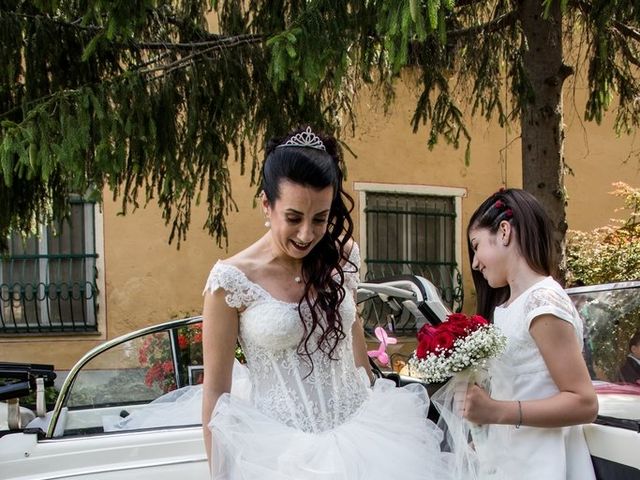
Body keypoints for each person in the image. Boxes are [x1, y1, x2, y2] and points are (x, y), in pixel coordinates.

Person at [201, 126, 453, 480]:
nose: (306, 234)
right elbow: (215, 394)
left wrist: (377, 407)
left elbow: (357, 354)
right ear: (265, 204)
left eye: (320, 218)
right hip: (281, 458)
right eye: (293, 218)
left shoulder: (343, 258)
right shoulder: (231, 281)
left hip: (363, 441)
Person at [460, 188, 598, 479]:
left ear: (505, 231)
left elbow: (584, 402)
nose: (475, 263)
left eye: (476, 246)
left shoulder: (543, 302)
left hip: (541, 462)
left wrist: (495, 412)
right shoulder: (507, 306)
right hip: (509, 458)